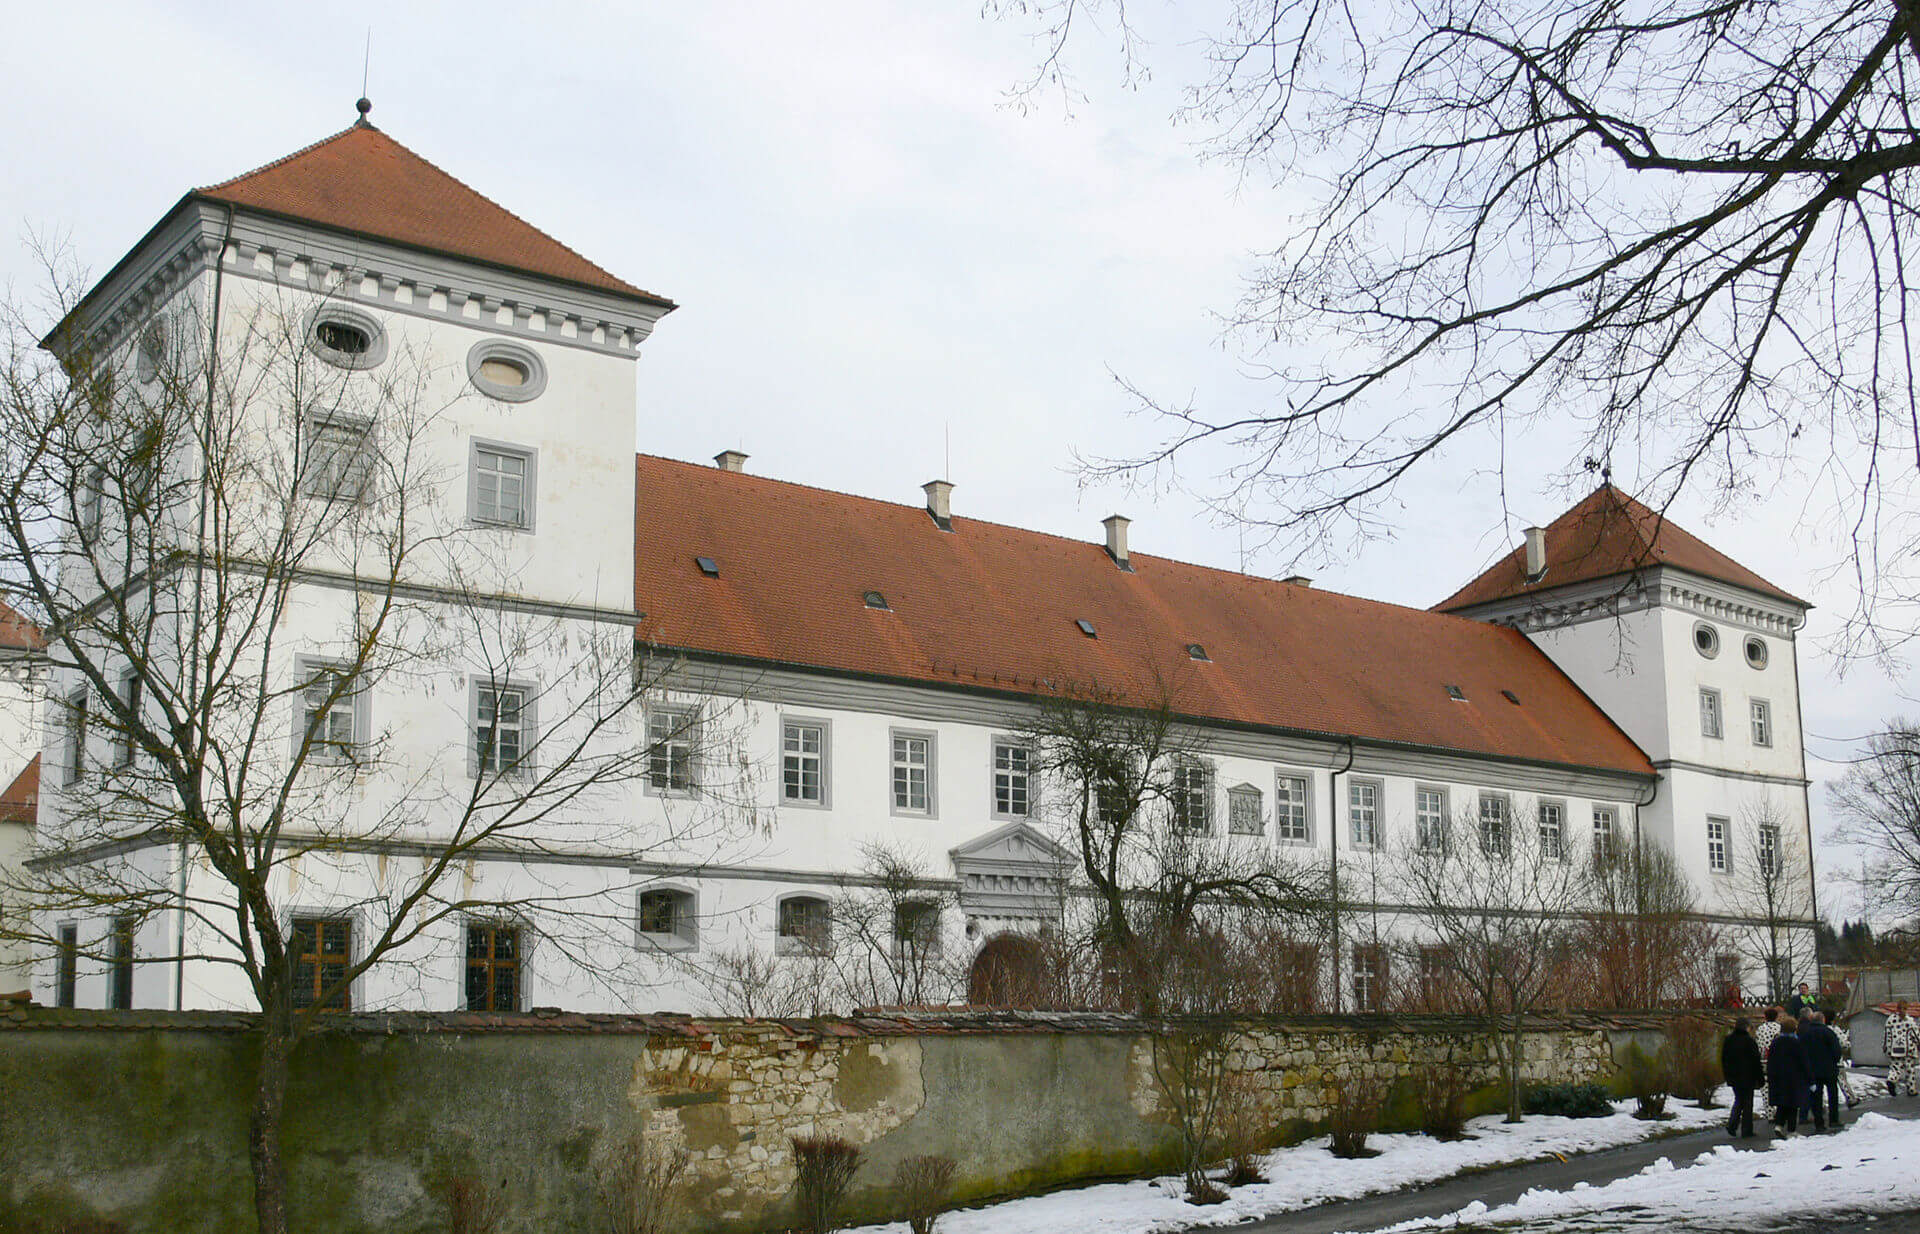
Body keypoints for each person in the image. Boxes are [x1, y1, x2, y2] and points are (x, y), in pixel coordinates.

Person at [1720, 1017, 1765, 1138]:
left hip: (1733, 1076)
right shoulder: (1749, 1041)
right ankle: (1746, 1129)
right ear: (1746, 1027)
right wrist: (1760, 1078)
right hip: (1748, 1076)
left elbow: (1724, 1058)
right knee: (1747, 1103)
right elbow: (1756, 1061)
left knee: (1739, 1100)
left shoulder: (1728, 1040)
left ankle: (1732, 1124)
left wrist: (1727, 1074)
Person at [1768, 1014, 1812, 1136]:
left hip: (1778, 1077)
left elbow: (1771, 1060)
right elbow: (1804, 1062)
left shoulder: (1775, 1043)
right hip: (1794, 1078)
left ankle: (1778, 1125)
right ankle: (1791, 1130)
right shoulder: (1796, 1043)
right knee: (1793, 1104)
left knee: (1782, 1103)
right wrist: (1809, 1078)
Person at [1799, 1011, 1843, 1130]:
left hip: (1813, 1070)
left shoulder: (1805, 1034)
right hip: (1829, 1069)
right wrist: (1834, 1061)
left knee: (1816, 1097)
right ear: (1823, 1020)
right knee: (1832, 1095)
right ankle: (1834, 1119)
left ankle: (1819, 1123)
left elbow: (1801, 1052)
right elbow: (1837, 1050)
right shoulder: (1829, 1032)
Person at [1887, 1000, 1919, 1097]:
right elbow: (1915, 1035)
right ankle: (1911, 1089)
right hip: (1908, 1049)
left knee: (1896, 1068)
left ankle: (1891, 1080)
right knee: (1910, 1069)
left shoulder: (1891, 1020)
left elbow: (1887, 1035)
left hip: (1895, 1049)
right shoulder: (1909, 1021)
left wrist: (1886, 1047)